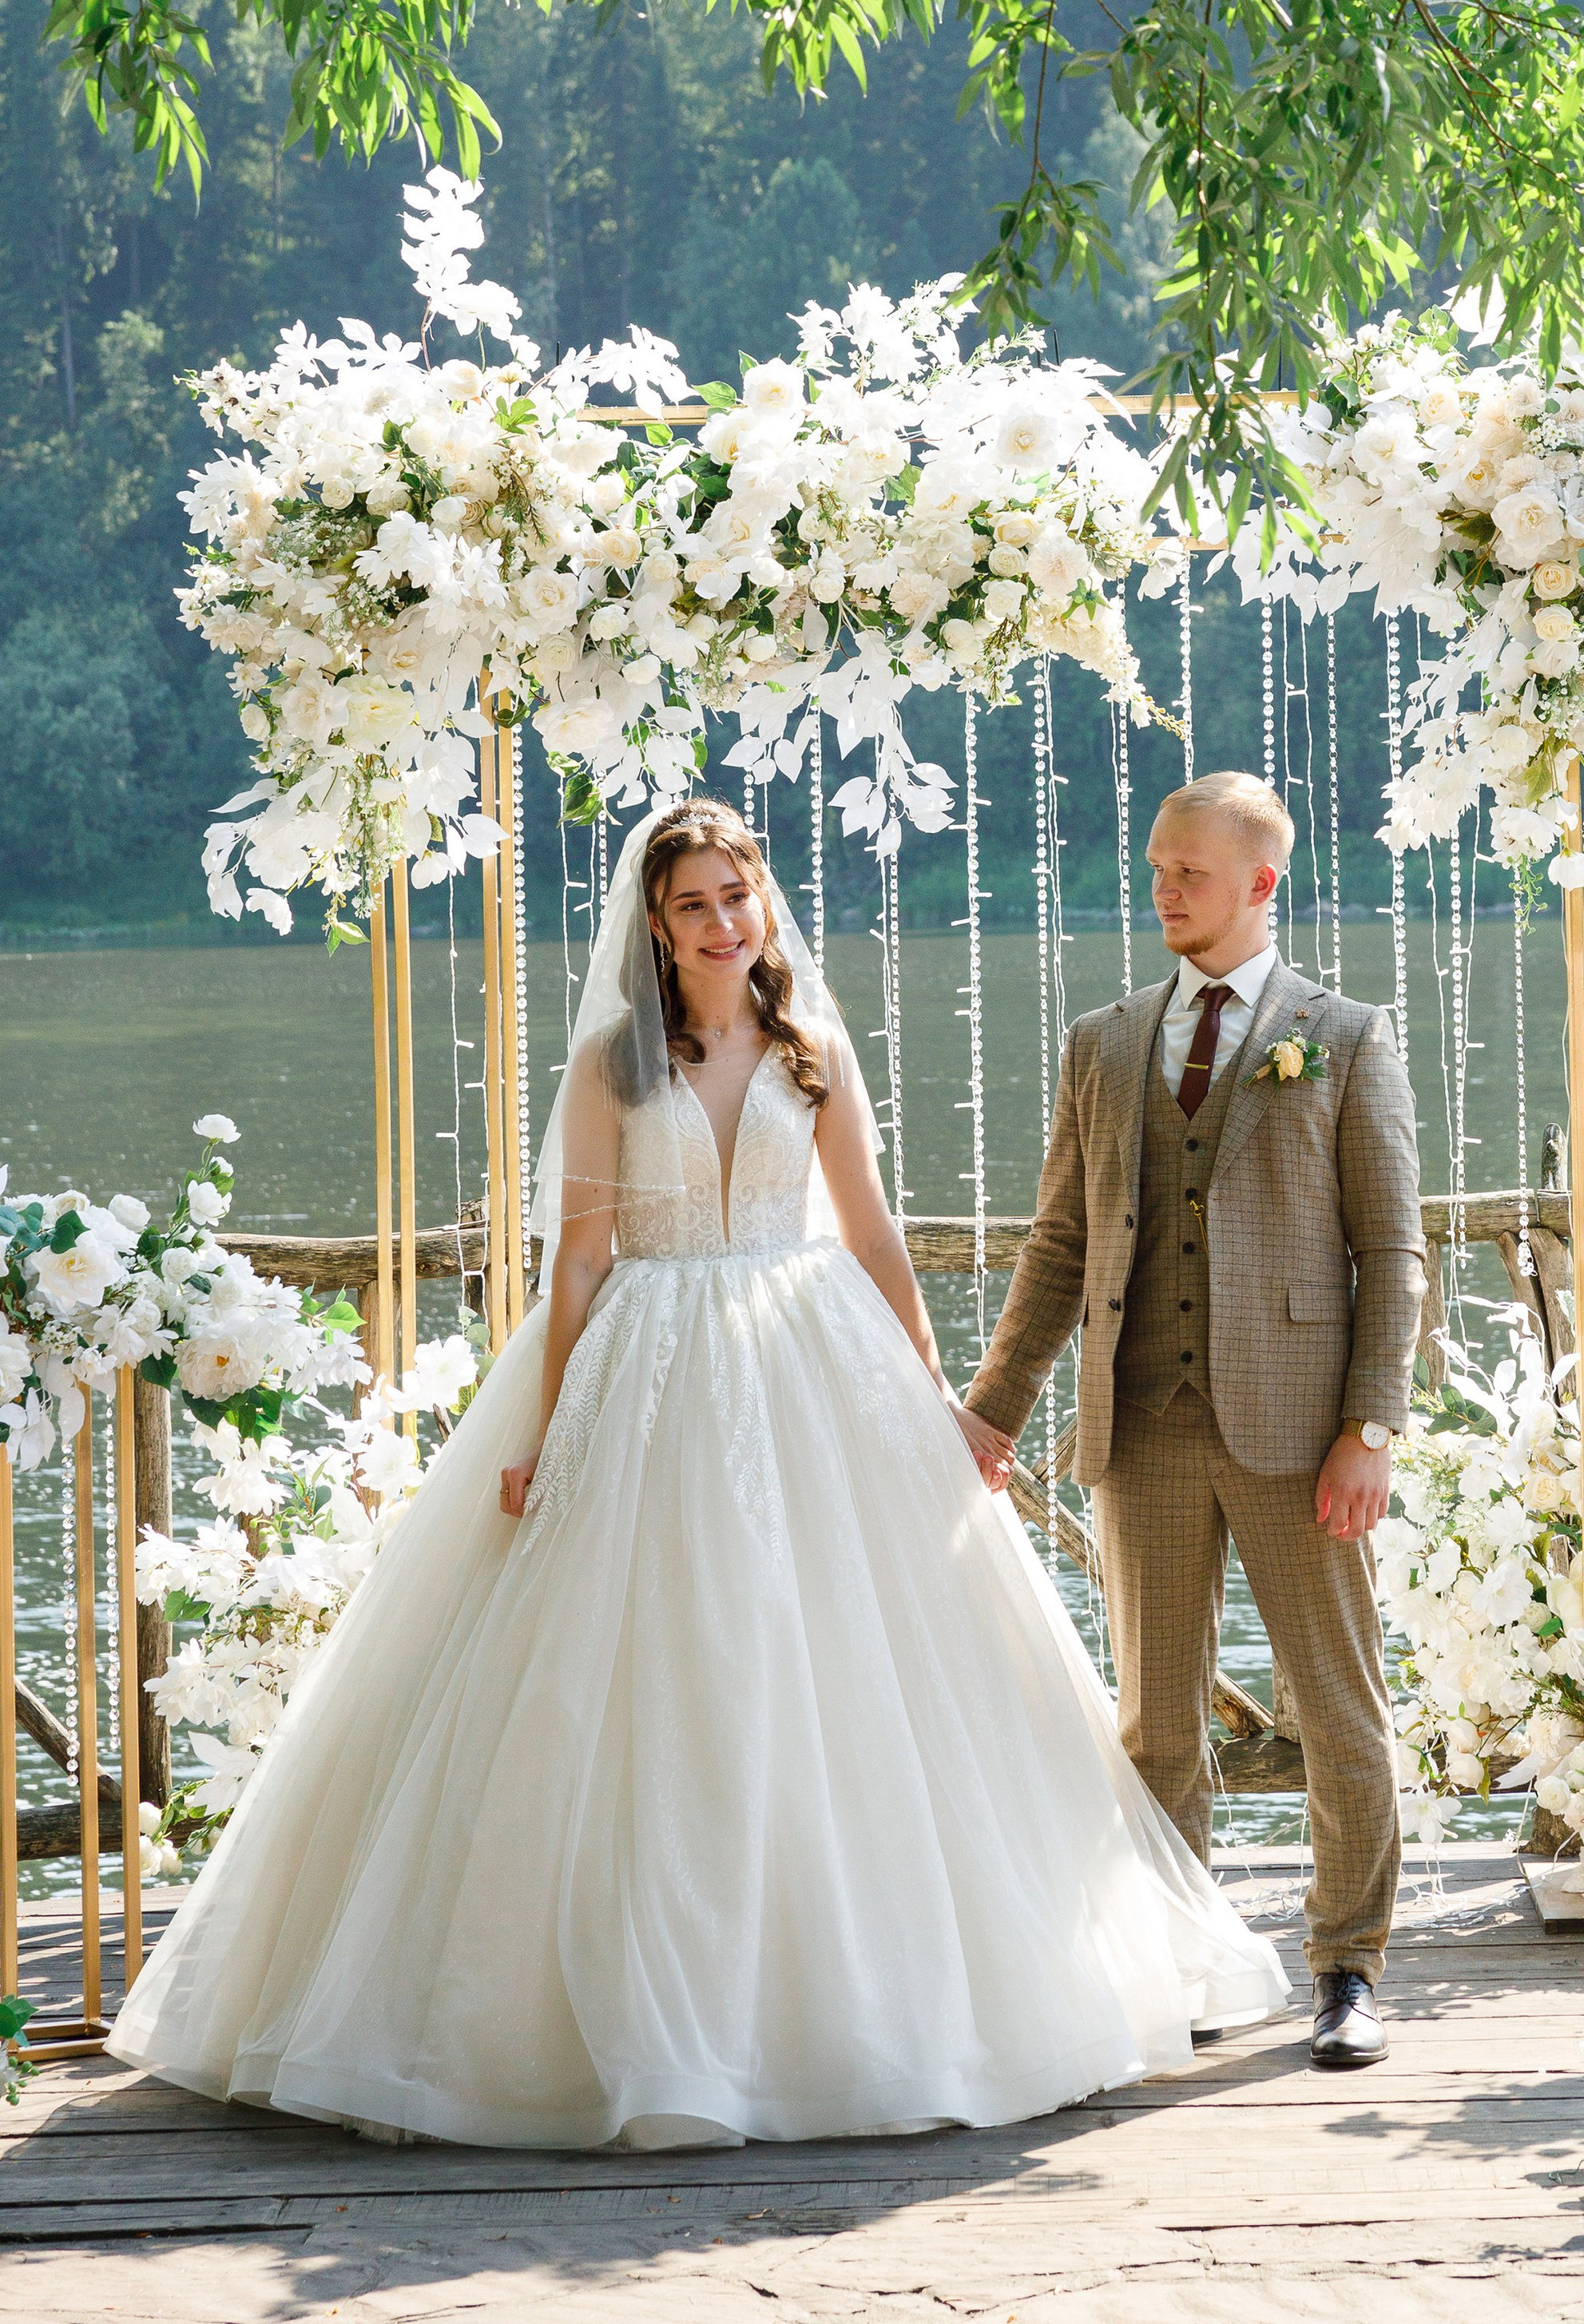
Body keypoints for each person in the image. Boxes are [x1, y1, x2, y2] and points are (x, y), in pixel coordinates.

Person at [110, 799, 1285, 2148]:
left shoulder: (812, 1047)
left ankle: (866, 1996)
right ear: (657, 930)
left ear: (761, 903)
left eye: (739, 895)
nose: (725, 921)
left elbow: (875, 1235)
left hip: (812, 1358)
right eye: (695, 905)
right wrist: (546, 1437)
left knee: (838, 1664)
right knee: (653, 1665)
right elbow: (581, 1265)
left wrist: (940, 1402)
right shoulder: (614, 1065)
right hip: (650, 1363)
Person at [966, 772, 1427, 2070]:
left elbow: (1391, 1252)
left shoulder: (1344, 1034)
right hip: (1143, 1423)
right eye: (1158, 867)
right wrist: (994, 1407)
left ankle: (1349, 1968)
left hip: (1299, 1433)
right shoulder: (1104, 1043)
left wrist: (1370, 1428)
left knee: (1338, 1709)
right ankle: (1185, 1962)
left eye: (1190, 873)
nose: (1163, 889)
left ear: (1261, 884)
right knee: (1156, 1721)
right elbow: (1063, 1241)